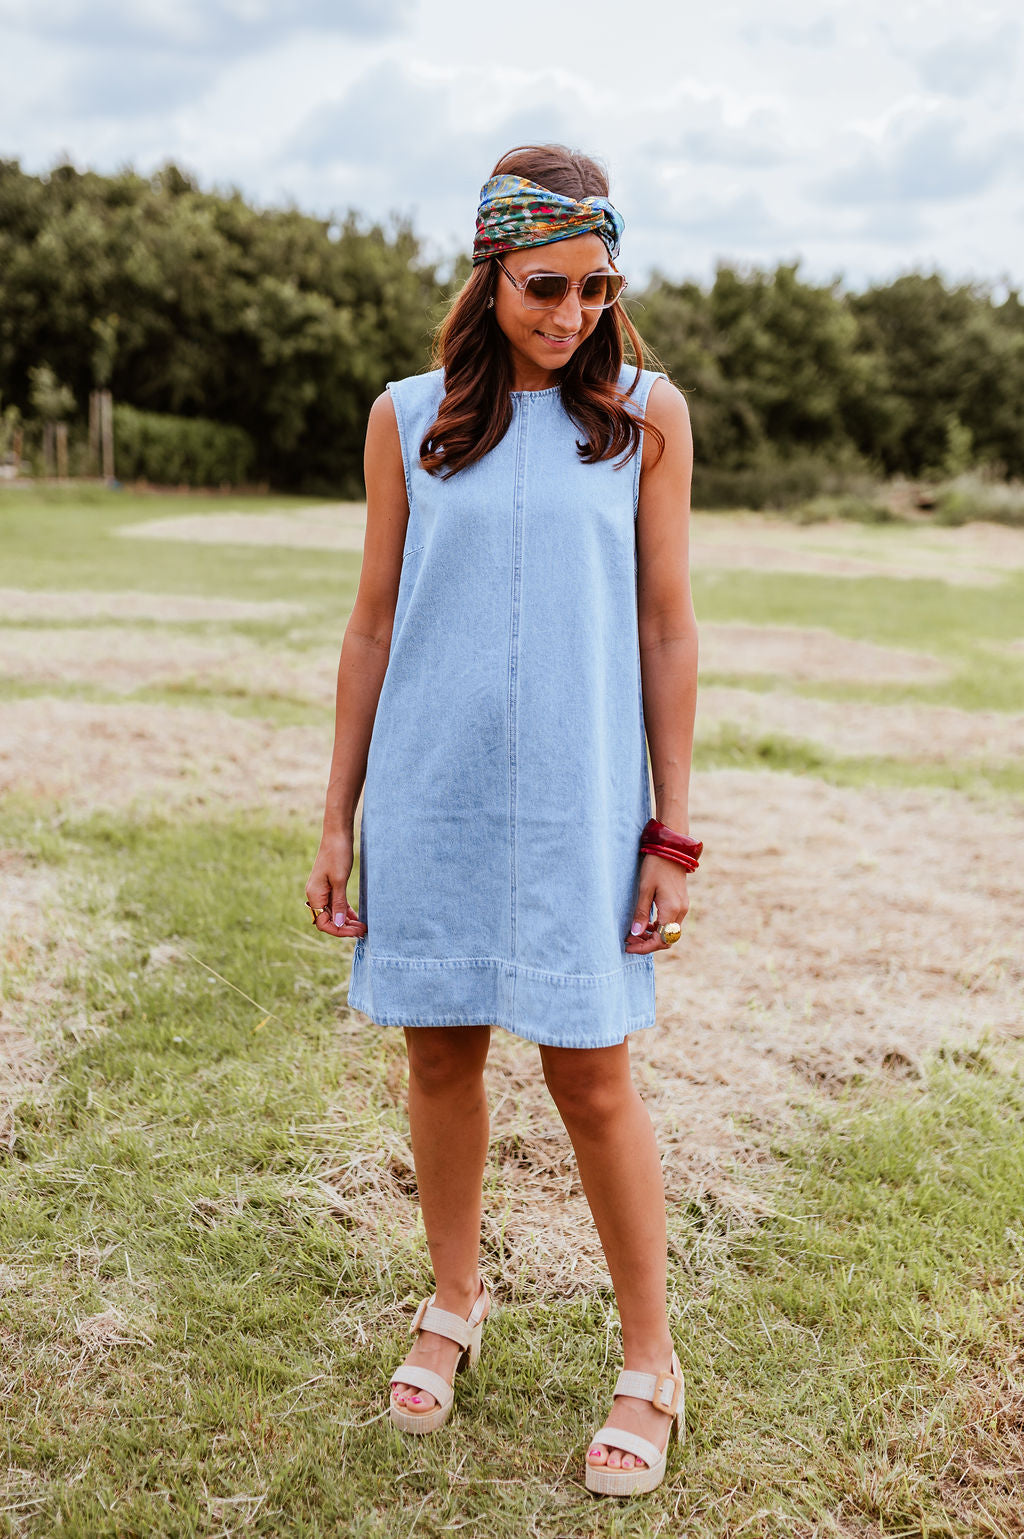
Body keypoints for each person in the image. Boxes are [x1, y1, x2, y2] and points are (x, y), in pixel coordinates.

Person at [305, 142, 698, 1498]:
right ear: (490, 272)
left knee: (591, 1076)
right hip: (436, 791)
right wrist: (337, 815)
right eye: (546, 285)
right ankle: (454, 1299)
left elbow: (666, 628)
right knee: (441, 1057)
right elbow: (370, 626)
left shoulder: (645, 417)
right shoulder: (406, 419)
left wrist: (672, 831)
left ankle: (650, 1359)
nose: (573, 313)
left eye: (598, 287)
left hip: (585, 806)